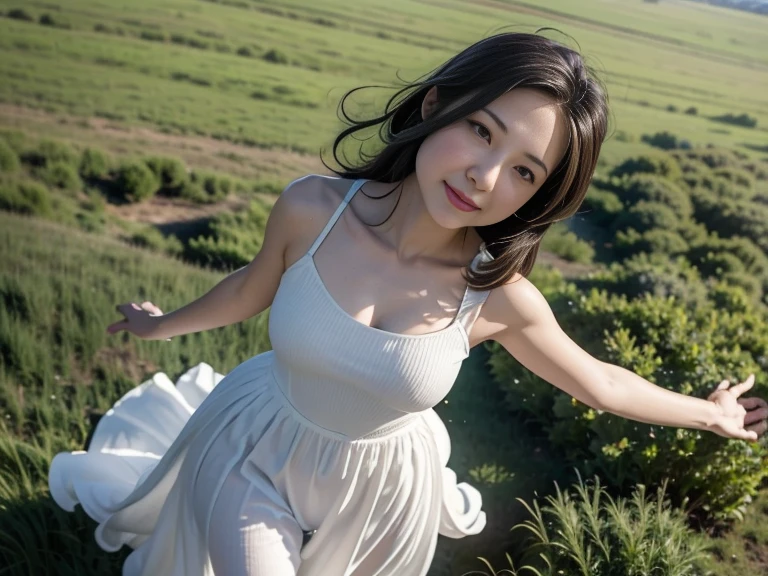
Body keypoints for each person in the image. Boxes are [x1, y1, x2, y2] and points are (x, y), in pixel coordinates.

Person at [48, 31, 768, 576]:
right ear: (436, 105)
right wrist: (162, 323)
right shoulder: (313, 208)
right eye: (481, 130)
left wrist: (713, 413)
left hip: (383, 492)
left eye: (523, 170)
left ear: (537, 197)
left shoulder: (498, 297)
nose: (484, 177)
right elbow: (249, 287)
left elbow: (601, 383)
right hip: (255, 446)